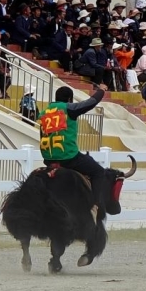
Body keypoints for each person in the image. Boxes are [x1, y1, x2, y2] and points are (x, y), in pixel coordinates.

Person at [38, 84, 108, 217]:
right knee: (98, 171)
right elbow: (91, 102)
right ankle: (95, 206)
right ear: (69, 99)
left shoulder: (44, 113)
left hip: (48, 159)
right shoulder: (68, 109)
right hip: (68, 158)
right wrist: (101, 90)